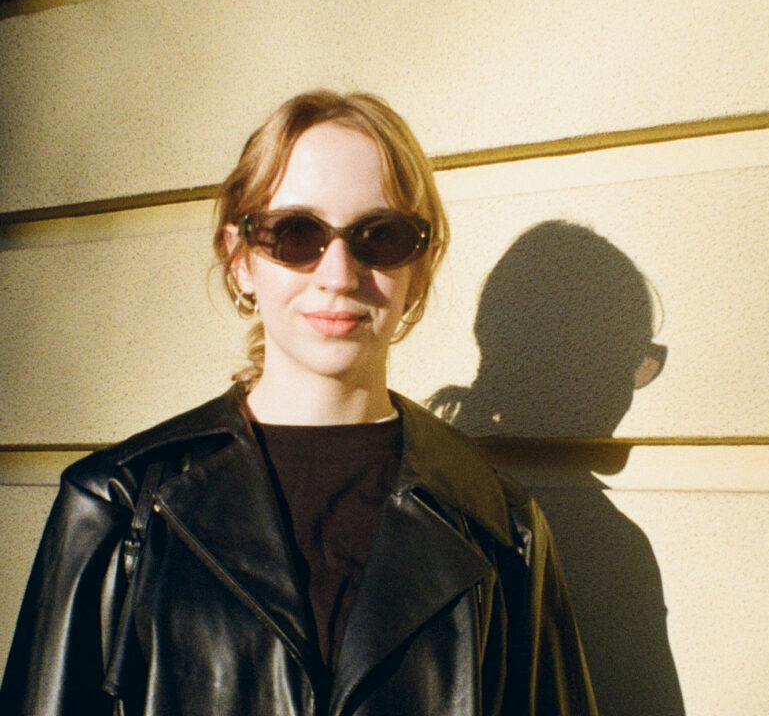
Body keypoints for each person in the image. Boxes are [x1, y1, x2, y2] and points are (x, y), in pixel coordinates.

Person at [0, 90, 597, 715]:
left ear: (420, 264)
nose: (338, 274)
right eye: (296, 233)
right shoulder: (120, 509)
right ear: (240, 258)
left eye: (381, 235)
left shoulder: (501, 526)